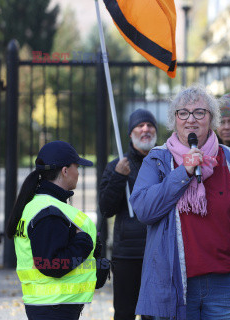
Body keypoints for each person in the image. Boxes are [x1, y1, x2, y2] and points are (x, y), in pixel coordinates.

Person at [129, 84, 230, 320]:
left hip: (229, 286)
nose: (191, 120)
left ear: (211, 119)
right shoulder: (157, 160)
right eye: (183, 113)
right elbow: (144, 209)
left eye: (199, 113)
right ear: (174, 120)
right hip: (175, 286)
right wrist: (182, 173)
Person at [6, 141, 97, 320]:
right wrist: (83, 243)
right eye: (76, 167)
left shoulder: (41, 204)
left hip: (50, 306)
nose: (78, 173)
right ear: (65, 171)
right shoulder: (48, 212)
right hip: (54, 308)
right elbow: (50, 264)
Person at [99, 109, 158, 320]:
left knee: (156, 314)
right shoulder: (117, 166)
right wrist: (118, 178)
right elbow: (106, 208)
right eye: (140, 126)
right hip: (127, 255)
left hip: (158, 252)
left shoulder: (164, 163)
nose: (145, 129)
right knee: (124, 313)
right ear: (130, 133)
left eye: (150, 125)